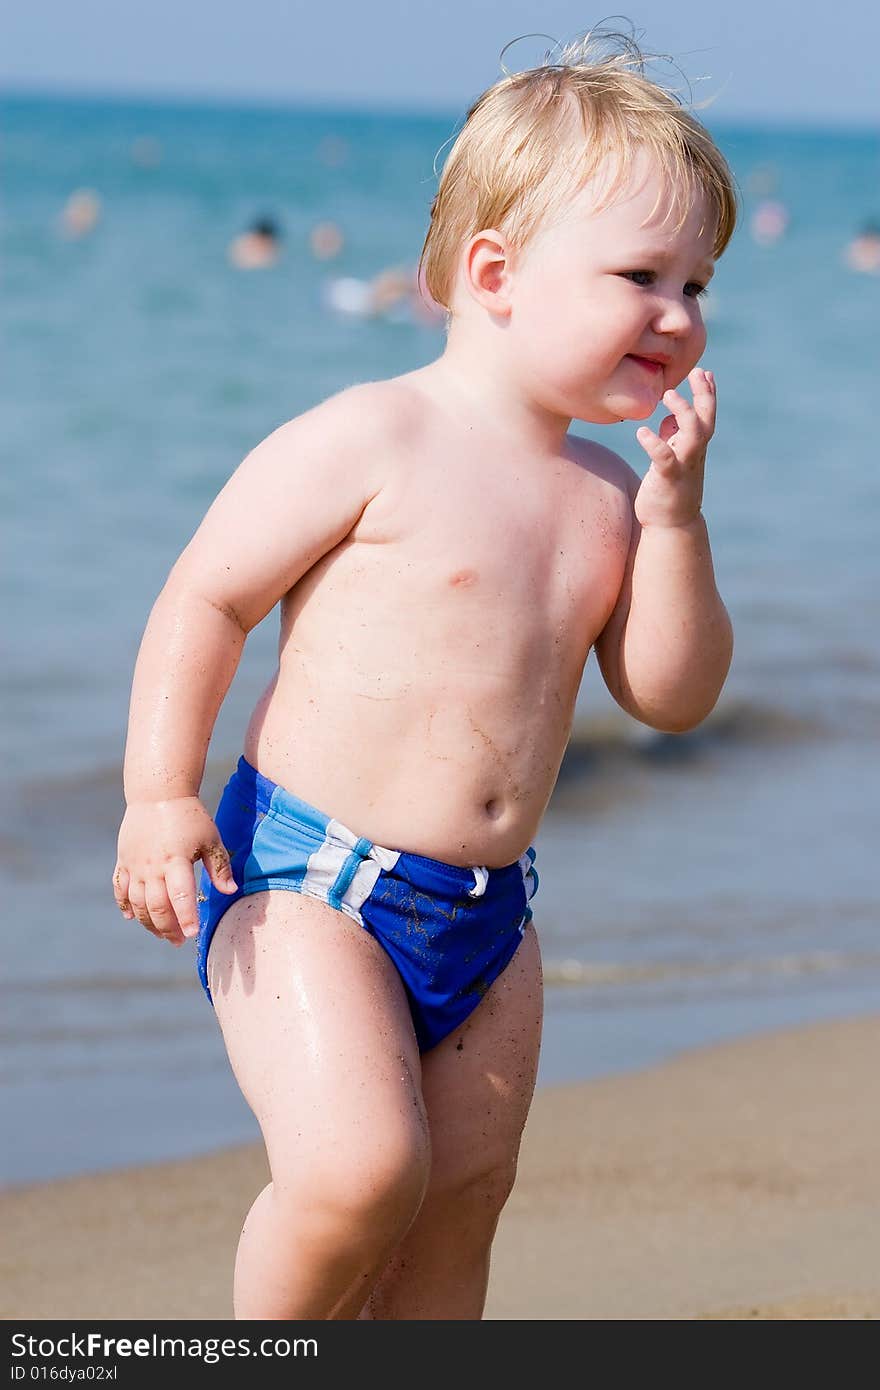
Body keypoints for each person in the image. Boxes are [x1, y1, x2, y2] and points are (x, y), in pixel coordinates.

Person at [113, 28, 737, 1320]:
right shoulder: (376, 437)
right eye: (641, 274)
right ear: (495, 272)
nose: (678, 314)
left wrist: (676, 521)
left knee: (460, 1202)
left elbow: (672, 694)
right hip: (307, 880)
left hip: (486, 919)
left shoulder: (612, 503)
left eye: (698, 282)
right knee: (359, 1170)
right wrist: (158, 790)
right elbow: (207, 596)